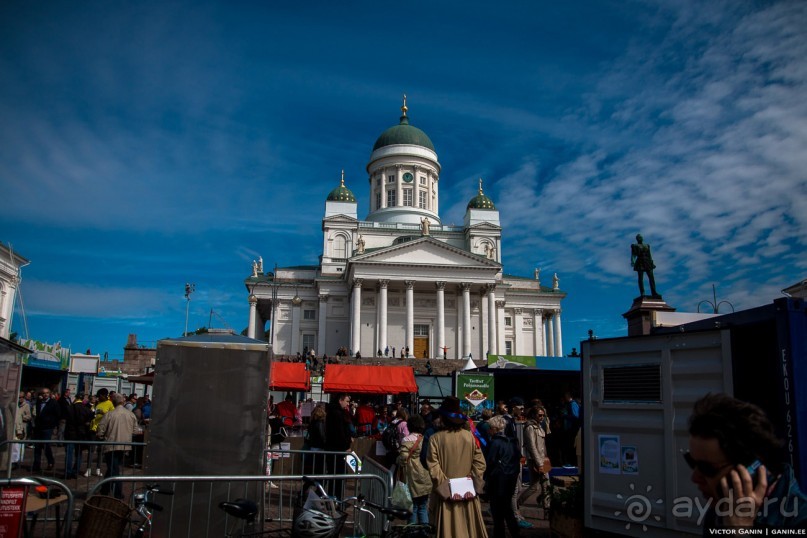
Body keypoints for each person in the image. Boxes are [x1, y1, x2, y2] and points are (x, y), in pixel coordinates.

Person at [687, 393, 807, 530]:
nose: (694, 478)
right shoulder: (721, 509)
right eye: (691, 461)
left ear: (751, 469)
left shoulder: (800, 521)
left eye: (706, 468)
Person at [426, 396, 488, 538]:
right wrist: (469, 485)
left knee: (448, 531)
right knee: (469, 530)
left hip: (447, 497)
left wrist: (448, 488)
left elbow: (433, 468)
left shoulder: (435, 439)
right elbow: (480, 463)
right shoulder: (470, 437)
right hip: (468, 495)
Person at [484, 415, 522, 538]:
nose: (488, 430)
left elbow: (490, 463)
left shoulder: (495, 443)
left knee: (498, 514)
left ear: (494, 429)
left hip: (498, 481)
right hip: (510, 479)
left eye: (490, 428)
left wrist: (486, 479)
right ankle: (515, 533)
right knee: (507, 509)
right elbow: (517, 459)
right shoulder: (512, 442)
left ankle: (500, 535)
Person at [97, 393, 139, 499]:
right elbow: (135, 430)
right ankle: (105, 489)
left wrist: (101, 436)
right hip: (124, 445)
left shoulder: (109, 415)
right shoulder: (130, 414)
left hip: (111, 444)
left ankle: (117, 492)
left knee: (113, 469)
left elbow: (100, 429)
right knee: (113, 467)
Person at [398, 414, 431, 525]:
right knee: (423, 506)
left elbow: (403, 458)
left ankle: (411, 530)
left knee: (413, 507)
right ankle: (424, 530)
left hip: (411, 475)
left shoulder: (406, 439)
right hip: (425, 473)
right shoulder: (425, 439)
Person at [518, 406, 551, 519]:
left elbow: (543, 445)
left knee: (546, 485)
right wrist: (539, 463)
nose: (542, 417)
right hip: (536, 460)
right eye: (539, 415)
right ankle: (517, 504)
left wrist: (545, 460)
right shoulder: (530, 428)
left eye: (543, 415)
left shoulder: (539, 426)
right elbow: (532, 447)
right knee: (535, 487)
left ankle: (547, 510)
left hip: (543, 459)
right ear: (533, 415)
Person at [324, 393, 354, 496]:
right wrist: (346, 445)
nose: (348, 404)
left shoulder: (334, 412)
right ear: (340, 400)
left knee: (335, 477)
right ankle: (335, 499)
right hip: (337, 450)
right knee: (337, 477)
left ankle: (334, 498)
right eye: (347, 401)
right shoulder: (337, 414)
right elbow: (339, 433)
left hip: (335, 449)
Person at [32, 388, 60, 472]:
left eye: (47, 393)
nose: (45, 394)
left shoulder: (53, 403)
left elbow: (58, 414)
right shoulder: (39, 402)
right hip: (38, 427)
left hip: (48, 427)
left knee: (46, 445)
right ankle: (36, 465)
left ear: (50, 394)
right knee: (37, 446)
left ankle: (50, 461)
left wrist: (53, 424)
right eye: (44, 393)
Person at [631, 233, 660, 298]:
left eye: (641, 237)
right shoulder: (635, 246)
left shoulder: (647, 245)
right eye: (639, 238)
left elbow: (649, 255)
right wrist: (633, 261)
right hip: (640, 261)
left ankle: (654, 292)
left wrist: (652, 262)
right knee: (641, 278)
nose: (640, 238)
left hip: (647, 261)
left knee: (651, 277)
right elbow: (633, 255)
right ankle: (642, 292)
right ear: (637, 239)